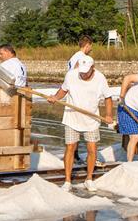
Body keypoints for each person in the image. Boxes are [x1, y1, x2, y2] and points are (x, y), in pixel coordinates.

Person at [48, 57, 113, 191]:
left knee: (92, 149)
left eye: (86, 72)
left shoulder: (100, 78)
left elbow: (108, 97)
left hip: (91, 120)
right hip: (72, 118)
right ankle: (67, 181)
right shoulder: (71, 75)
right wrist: (55, 97)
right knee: (70, 148)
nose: (83, 74)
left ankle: (89, 179)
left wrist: (108, 115)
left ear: (92, 68)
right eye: (81, 72)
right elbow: (63, 90)